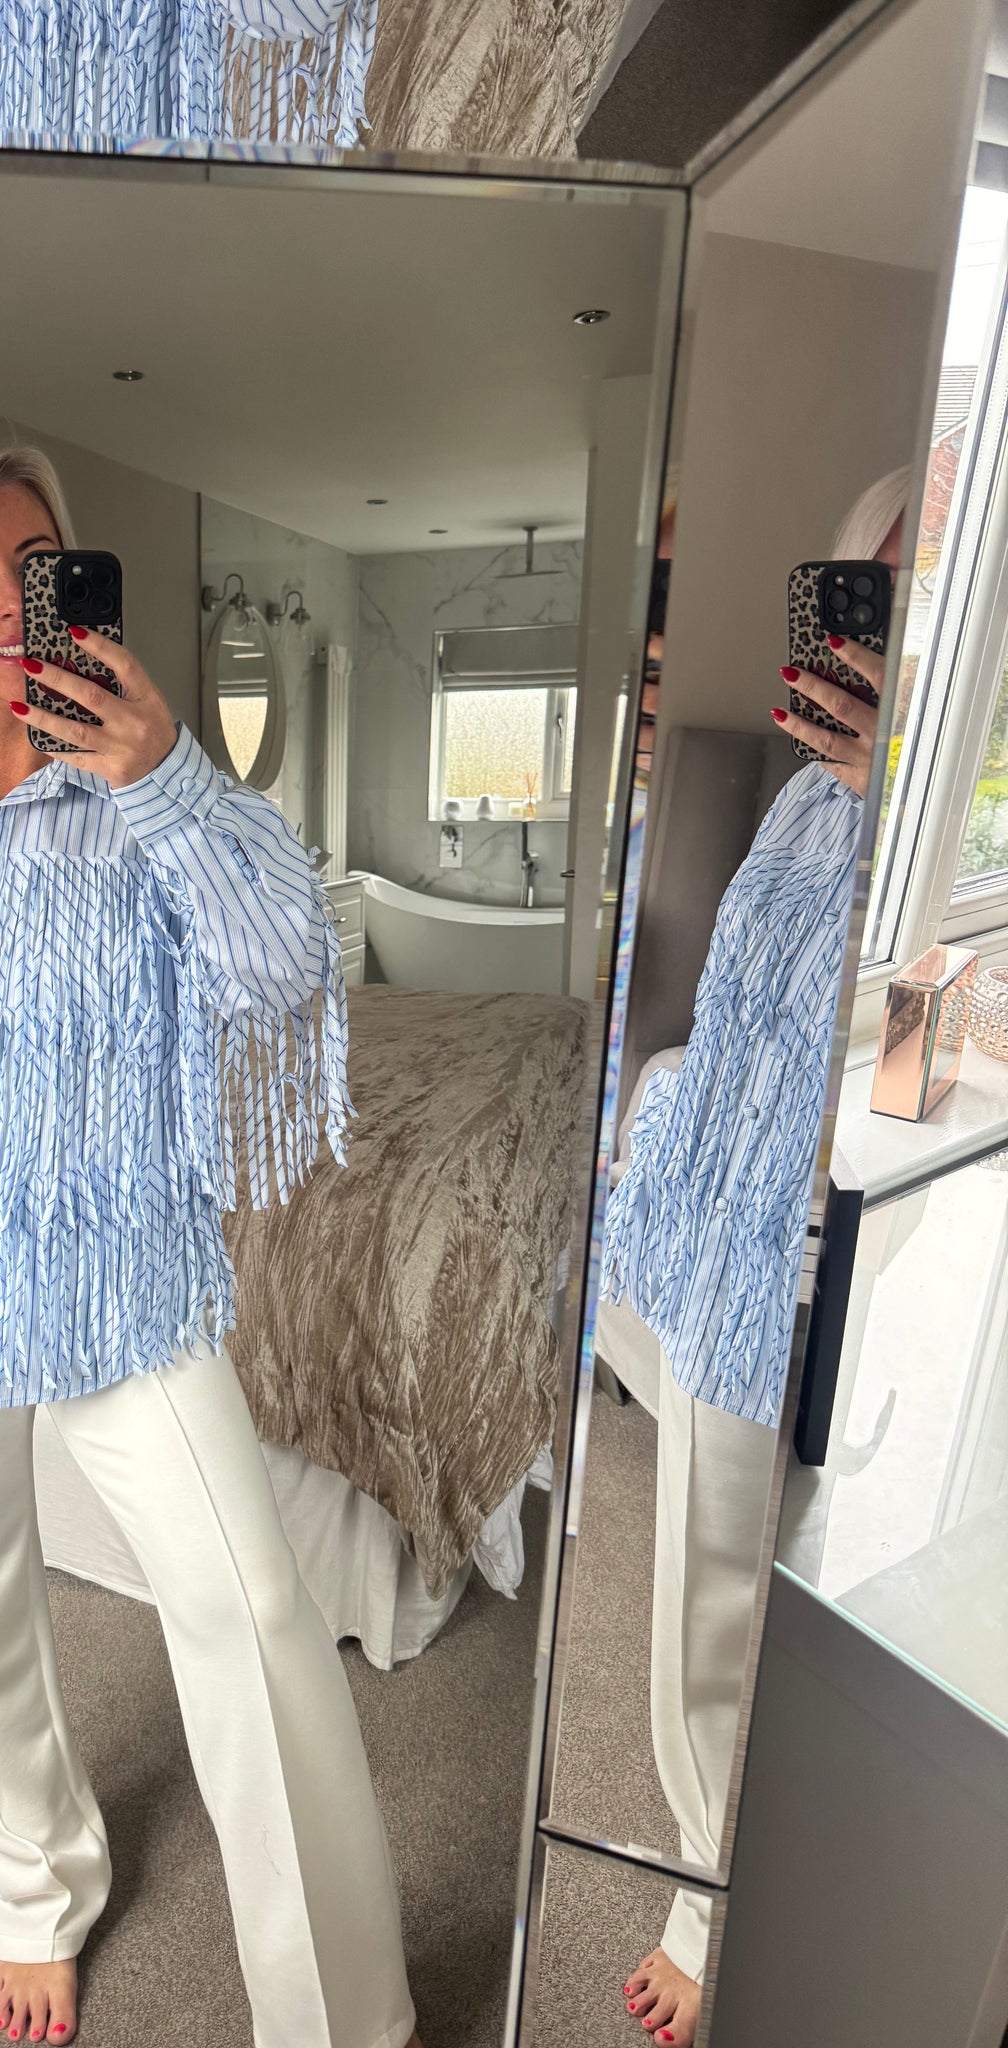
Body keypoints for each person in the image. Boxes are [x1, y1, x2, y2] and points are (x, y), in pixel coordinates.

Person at [0, 442, 422, 2048]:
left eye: (33, 568)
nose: (5, 606)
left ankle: (342, 2017)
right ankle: (34, 1886)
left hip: (116, 1271)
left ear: (79, 589)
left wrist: (168, 776)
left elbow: (285, 975)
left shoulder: (149, 782)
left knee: (255, 1613)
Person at [602, 468, 911, 2045]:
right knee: (709, 1581)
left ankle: (723, 1898)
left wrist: (904, 787)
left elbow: (907, 1012)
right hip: (730, 1222)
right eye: (877, 592)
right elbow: (720, 1018)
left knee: (750, 1595)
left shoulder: (915, 820)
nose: (889, 633)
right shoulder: (801, 796)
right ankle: (718, 1872)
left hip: (822, 1226)